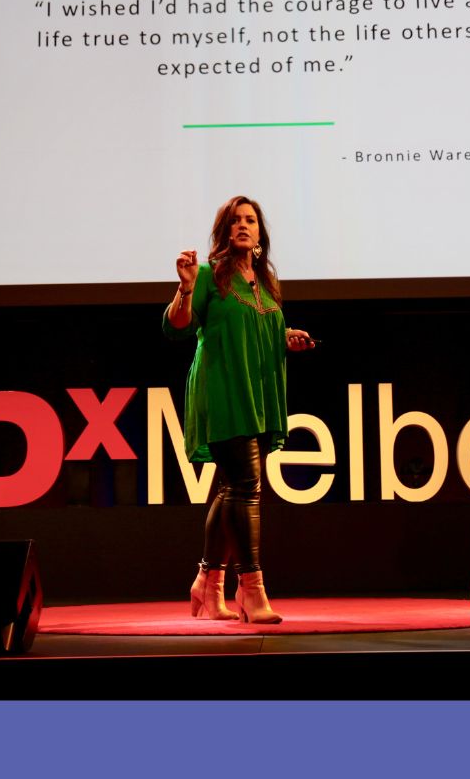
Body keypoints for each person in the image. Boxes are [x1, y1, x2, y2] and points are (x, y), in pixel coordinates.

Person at [163, 196, 314, 624]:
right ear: (225, 231)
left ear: (260, 233)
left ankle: (208, 586)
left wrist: (284, 338)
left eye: (250, 220)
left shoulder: (266, 282)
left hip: (257, 393)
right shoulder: (210, 275)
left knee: (231, 488)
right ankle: (252, 589)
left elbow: (256, 328)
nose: (243, 226)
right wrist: (186, 285)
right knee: (248, 486)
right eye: (235, 221)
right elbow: (177, 326)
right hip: (223, 391)